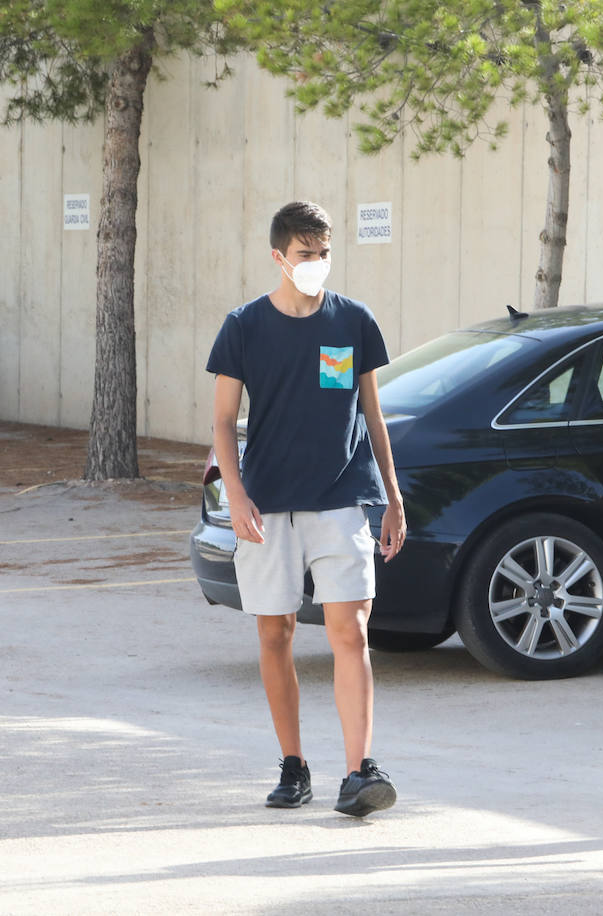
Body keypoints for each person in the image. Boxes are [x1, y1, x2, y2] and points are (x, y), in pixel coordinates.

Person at [207, 200, 406, 817]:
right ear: (278, 257)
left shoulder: (354, 321)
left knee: (353, 630)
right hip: (268, 504)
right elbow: (220, 421)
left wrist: (393, 499)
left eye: (324, 254)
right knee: (276, 631)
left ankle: (359, 770)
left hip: (342, 498)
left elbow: (373, 415)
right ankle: (293, 766)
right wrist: (235, 496)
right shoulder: (243, 326)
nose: (316, 264)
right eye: (304, 255)